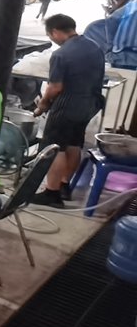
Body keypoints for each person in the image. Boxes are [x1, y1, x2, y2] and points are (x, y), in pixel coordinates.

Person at [32, 14, 106, 207]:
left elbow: (55, 87)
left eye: (50, 35)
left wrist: (43, 104)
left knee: (55, 147)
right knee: (73, 143)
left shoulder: (61, 54)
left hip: (68, 105)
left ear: (55, 32)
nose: (51, 39)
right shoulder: (95, 47)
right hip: (90, 104)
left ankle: (52, 193)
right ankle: (64, 185)